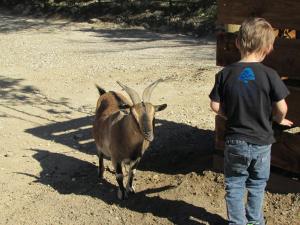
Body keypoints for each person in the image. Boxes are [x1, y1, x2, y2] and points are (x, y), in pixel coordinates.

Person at [209, 17, 293, 225]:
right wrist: (278, 119)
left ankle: (237, 223)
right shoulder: (270, 75)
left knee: (235, 184)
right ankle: (255, 221)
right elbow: (282, 108)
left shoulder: (225, 74)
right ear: (269, 47)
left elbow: (215, 106)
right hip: (262, 143)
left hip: (235, 142)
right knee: (256, 184)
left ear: (237, 43)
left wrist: (230, 116)